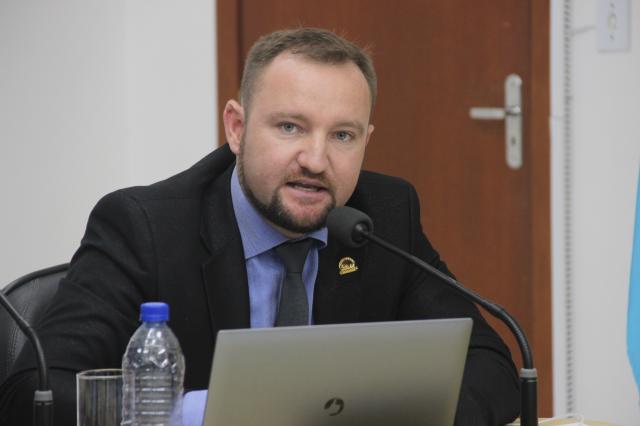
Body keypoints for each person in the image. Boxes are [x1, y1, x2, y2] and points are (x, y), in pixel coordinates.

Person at [0, 28, 519, 425]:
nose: (315, 159)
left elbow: (491, 368)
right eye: (290, 127)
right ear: (237, 127)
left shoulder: (383, 216)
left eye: (342, 135)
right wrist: (203, 413)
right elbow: (35, 396)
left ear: (367, 140)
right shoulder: (144, 227)